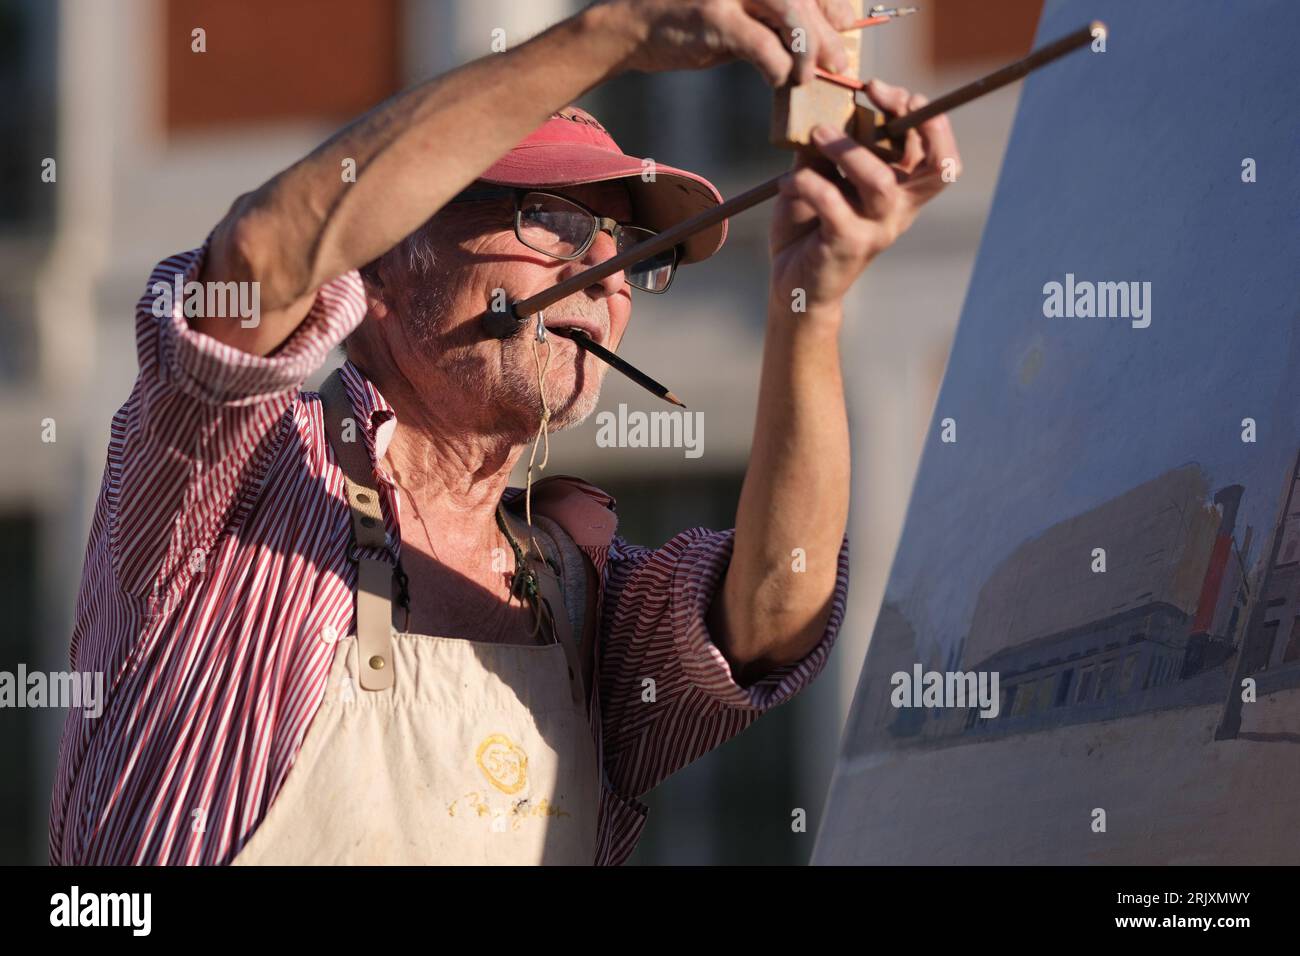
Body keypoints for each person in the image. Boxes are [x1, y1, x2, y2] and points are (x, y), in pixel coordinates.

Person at [49, 0, 960, 865]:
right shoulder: (238, 474)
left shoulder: (576, 590)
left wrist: (814, 301)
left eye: (631, 244)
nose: (608, 270)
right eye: (558, 222)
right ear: (384, 270)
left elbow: (774, 613)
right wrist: (621, 31)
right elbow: (254, 262)